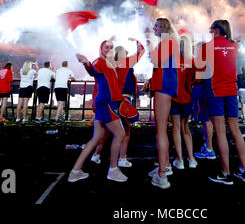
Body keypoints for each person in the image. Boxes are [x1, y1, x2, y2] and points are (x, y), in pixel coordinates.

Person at [67, 39, 129, 183]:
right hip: (106, 105)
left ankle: (75, 171)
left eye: (111, 47)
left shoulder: (109, 64)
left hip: (107, 103)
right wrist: (86, 63)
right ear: (101, 48)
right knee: (120, 134)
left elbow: (112, 87)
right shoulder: (99, 62)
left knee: (96, 139)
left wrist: (121, 99)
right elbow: (92, 71)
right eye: (106, 47)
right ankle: (113, 170)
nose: (109, 49)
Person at [199, 19, 245, 185]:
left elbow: (200, 70)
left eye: (210, 29)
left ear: (215, 30)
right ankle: (244, 171)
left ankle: (226, 173)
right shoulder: (235, 46)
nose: (209, 31)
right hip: (231, 90)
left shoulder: (207, 47)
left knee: (220, 132)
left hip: (215, 91)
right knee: (236, 130)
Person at [91, 38, 145, 168]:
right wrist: (136, 40)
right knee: (126, 130)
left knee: (107, 130)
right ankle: (121, 158)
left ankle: (96, 155)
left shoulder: (109, 64)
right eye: (126, 52)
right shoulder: (126, 63)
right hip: (123, 100)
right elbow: (141, 51)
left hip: (110, 100)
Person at [147, 18, 179, 189]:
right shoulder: (169, 42)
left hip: (164, 85)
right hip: (166, 84)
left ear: (163, 27)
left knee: (160, 129)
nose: (154, 27)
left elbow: (156, 61)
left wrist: (150, 46)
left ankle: (162, 176)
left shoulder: (168, 41)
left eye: (156, 25)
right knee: (162, 128)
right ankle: (165, 166)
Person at [171, 35, 198, 170]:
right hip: (187, 98)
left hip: (175, 98)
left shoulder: (173, 60)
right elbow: (195, 80)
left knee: (176, 128)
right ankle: (191, 159)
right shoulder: (193, 60)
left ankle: (180, 160)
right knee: (185, 128)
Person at [192, 43, 216, 160]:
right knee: (208, 122)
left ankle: (209, 149)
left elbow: (195, 77)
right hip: (209, 92)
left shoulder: (200, 62)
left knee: (206, 121)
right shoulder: (210, 61)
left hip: (202, 92)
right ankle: (207, 146)